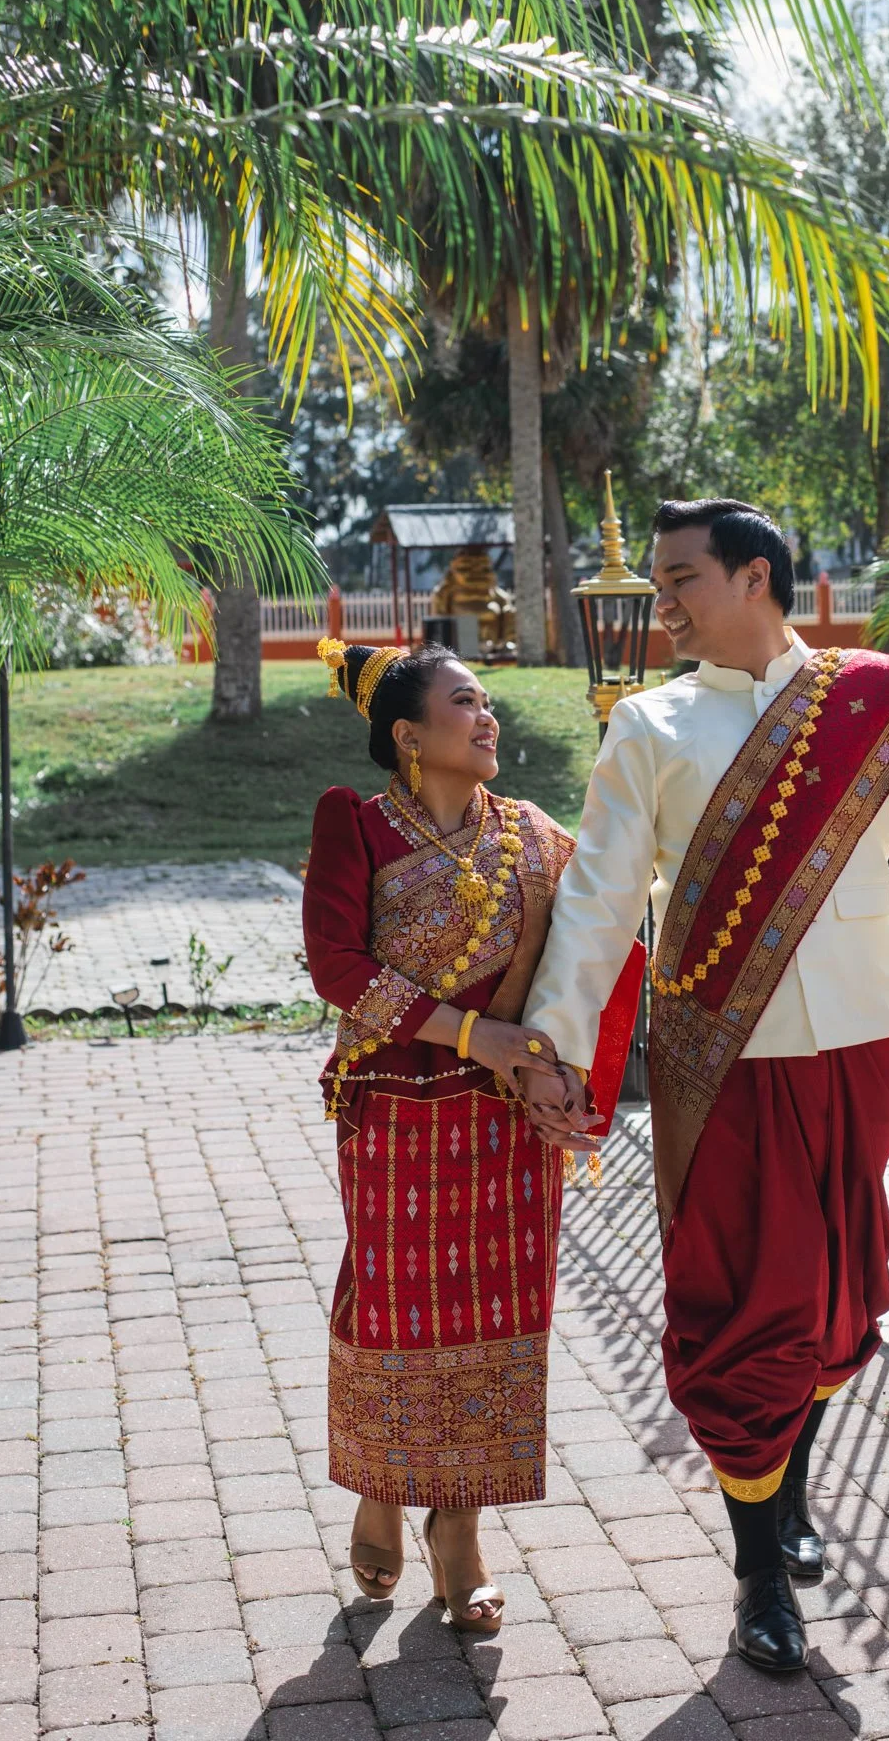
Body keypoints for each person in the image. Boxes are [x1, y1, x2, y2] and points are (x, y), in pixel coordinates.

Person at [525, 499, 889, 1673]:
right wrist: (558, 1040)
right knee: (741, 1303)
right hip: (724, 1064)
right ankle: (761, 1567)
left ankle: (785, 1488)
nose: (662, 603)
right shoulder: (648, 724)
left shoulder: (875, 702)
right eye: (658, 581)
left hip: (863, 1037)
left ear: (755, 575)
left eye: (681, 578)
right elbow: (602, 899)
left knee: (836, 1294)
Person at [303, 637, 583, 1633]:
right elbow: (337, 966)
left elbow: (582, 961)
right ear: (411, 734)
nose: (488, 717)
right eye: (466, 702)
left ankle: (457, 1531)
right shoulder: (357, 824)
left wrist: (557, 1068)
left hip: (507, 1118)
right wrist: (475, 1031)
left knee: (501, 1311)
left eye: (489, 702)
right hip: (394, 1103)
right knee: (397, 1303)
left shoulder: (538, 835)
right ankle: (383, 1483)